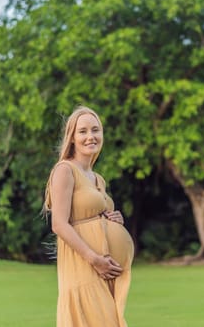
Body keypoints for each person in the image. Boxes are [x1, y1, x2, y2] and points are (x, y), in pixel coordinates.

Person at [43, 106, 134, 327]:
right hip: (84, 265)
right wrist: (94, 259)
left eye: (96, 130)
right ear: (72, 138)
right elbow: (59, 224)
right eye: (82, 131)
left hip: (105, 268)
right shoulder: (65, 171)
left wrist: (113, 221)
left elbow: (94, 215)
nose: (90, 136)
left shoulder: (97, 179)